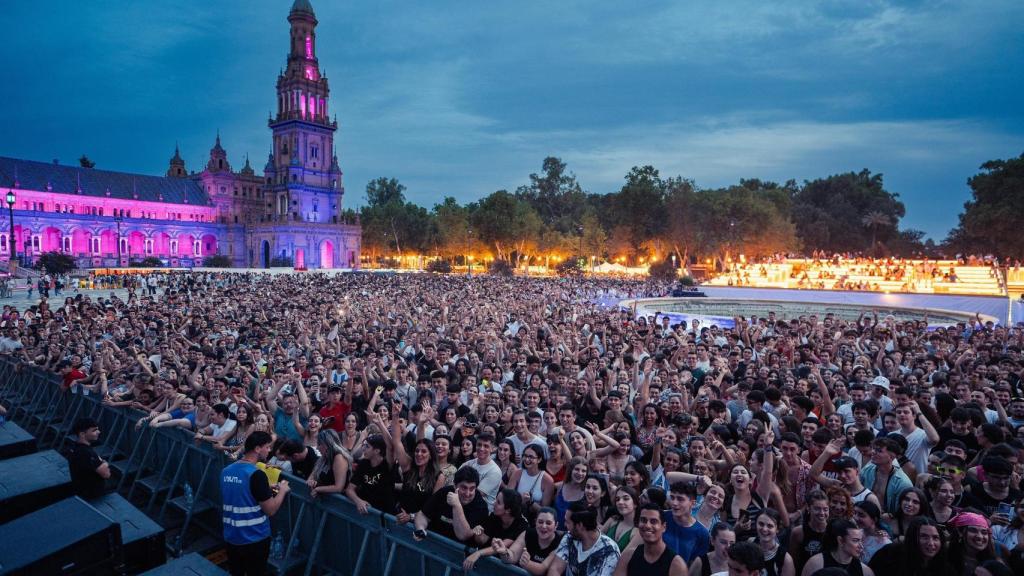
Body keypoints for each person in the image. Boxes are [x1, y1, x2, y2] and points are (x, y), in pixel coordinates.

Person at [220, 431, 290, 576]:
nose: (269, 450)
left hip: (231, 536)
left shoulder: (226, 471)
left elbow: (241, 493)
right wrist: (282, 490)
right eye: (267, 447)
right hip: (254, 538)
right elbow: (270, 510)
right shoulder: (257, 474)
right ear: (257, 448)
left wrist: (264, 488)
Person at [414, 466, 489, 545]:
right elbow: (423, 514)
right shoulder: (444, 492)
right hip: (433, 543)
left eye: (472, 488)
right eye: (464, 488)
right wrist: (420, 529)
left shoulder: (480, 506)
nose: (467, 493)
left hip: (457, 552)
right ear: (454, 485)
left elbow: (463, 535)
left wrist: (457, 505)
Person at [548, 500, 621, 576]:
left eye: (567, 522)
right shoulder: (569, 537)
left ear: (579, 525)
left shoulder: (609, 551)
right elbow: (555, 569)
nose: (565, 525)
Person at [612, 503, 687, 576]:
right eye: (643, 520)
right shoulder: (628, 556)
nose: (647, 525)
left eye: (653, 521)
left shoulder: (676, 564)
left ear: (664, 527)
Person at [868, 517, 955, 576]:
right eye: (924, 537)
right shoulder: (890, 555)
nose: (931, 543)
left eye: (935, 538)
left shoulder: (945, 569)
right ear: (912, 538)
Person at [800, 518, 874, 576]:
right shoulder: (816, 564)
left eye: (861, 540)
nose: (861, 546)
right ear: (840, 540)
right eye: (855, 540)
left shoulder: (865, 571)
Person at [505, 507, 565, 575]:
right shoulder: (528, 533)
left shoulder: (560, 543)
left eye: (548, 523)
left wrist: (527, 563)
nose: (544, 526)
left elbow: (542, 569)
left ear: (556, 525)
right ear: (535, 522)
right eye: (540, 522)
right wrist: (503, 552)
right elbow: (512, 556)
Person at [662, 481, 710, 564]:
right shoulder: (661, 517)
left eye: (680, 499)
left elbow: (695, 565)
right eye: (672, 497)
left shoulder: (702, 533)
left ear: (693, 503)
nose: (674, 503)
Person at [66, 417, 110, 499]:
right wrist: (104, 462)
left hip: (80, 491)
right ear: (82, 434)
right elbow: (106, 474)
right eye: (94, 430)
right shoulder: (87, 453)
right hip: (93, 496)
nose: (99, 432)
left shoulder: (73, 448)